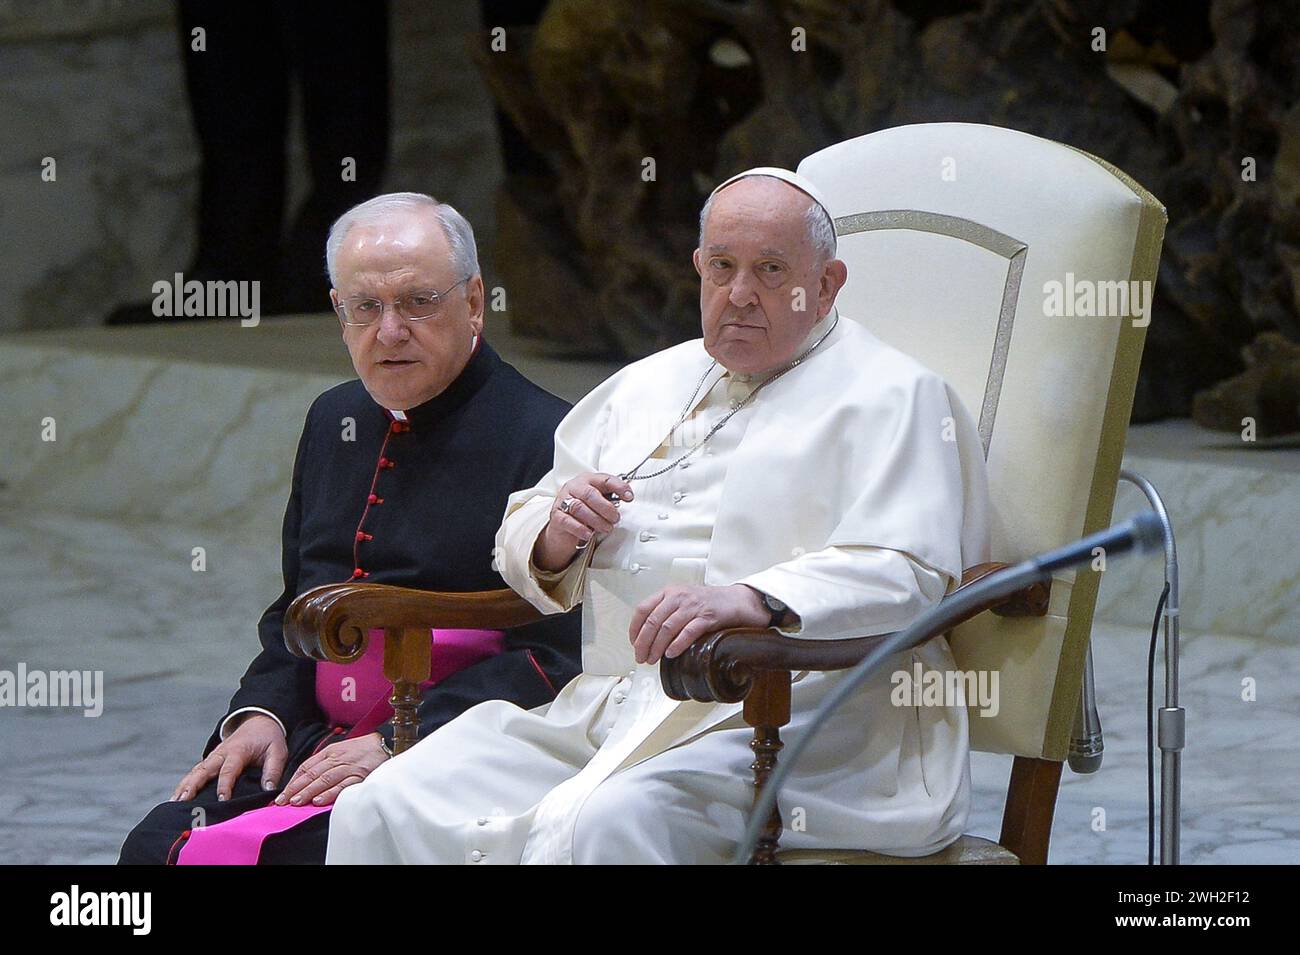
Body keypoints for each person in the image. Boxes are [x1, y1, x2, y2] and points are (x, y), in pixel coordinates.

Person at [326, 169, 992, 865]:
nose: (739, 295)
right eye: (722, 268)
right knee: (385, 798)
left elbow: (908, 570)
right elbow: (525, 526)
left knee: (606, 820)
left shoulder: (896, 396)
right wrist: (556, 533)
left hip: (803, 722)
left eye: (770, 271)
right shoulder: (645, 384)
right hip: (616, 705)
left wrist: (753, 599)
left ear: (826, 284)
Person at [119, 193, 581, 863]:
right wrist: (260, 715)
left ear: (474, 300)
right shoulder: (332, 418)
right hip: (313, 739)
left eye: (418, 301)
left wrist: (399, 737)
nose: (390, 330)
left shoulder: (548, 435)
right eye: (365, 307)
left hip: (458, 749)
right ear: (339, 312)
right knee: (156, 844)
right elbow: (295, 608)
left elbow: (561, 657)